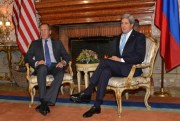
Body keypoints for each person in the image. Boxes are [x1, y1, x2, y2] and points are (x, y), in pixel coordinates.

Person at [70, 14, 146, 118]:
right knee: (105, 71)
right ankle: (97, 106)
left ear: (132, 25)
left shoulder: (139, 37)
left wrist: (120, 59)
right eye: (122, 23)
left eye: (126, 23)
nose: (123, 26)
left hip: (131, 68)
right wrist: (114, 58)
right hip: (120, 67)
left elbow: (140, 57)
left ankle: (87, 91)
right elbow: (117, 54)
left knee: (104, 62)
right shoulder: (119, 37)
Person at [25, 23, 70, 116]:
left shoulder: (57, 43)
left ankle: (44, 101)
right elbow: (27, 57)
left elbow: (66, 56)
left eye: (45, 30)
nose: (43, 32)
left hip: (55, 65)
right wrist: (37, 63)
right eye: (41, 30)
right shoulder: (35, 43)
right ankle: (46, 100)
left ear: (50, 32)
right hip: (42, 65)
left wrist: (63, 62)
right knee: (42, 69)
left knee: (60, 72)